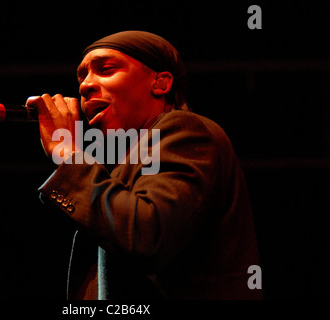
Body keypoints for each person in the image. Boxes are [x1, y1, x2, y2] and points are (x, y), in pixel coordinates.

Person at [27, 30, 262, 299]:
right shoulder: (125, 164)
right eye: (82, 77)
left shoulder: (186, 130)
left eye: (106, 69)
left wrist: (68, 153)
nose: (85, 86)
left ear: (160, 83)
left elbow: (146, 235)